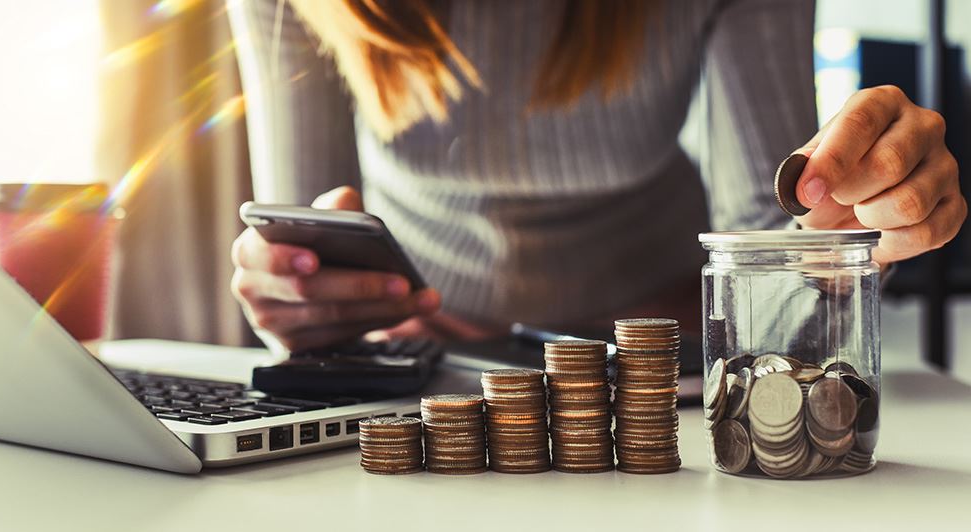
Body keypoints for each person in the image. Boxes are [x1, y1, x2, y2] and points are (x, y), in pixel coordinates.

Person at [226, 0, 966, 352]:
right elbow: (305, 239)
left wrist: (836, 244)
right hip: (424, 362)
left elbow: (775, 253)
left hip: (666, 354)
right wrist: (300, 300)